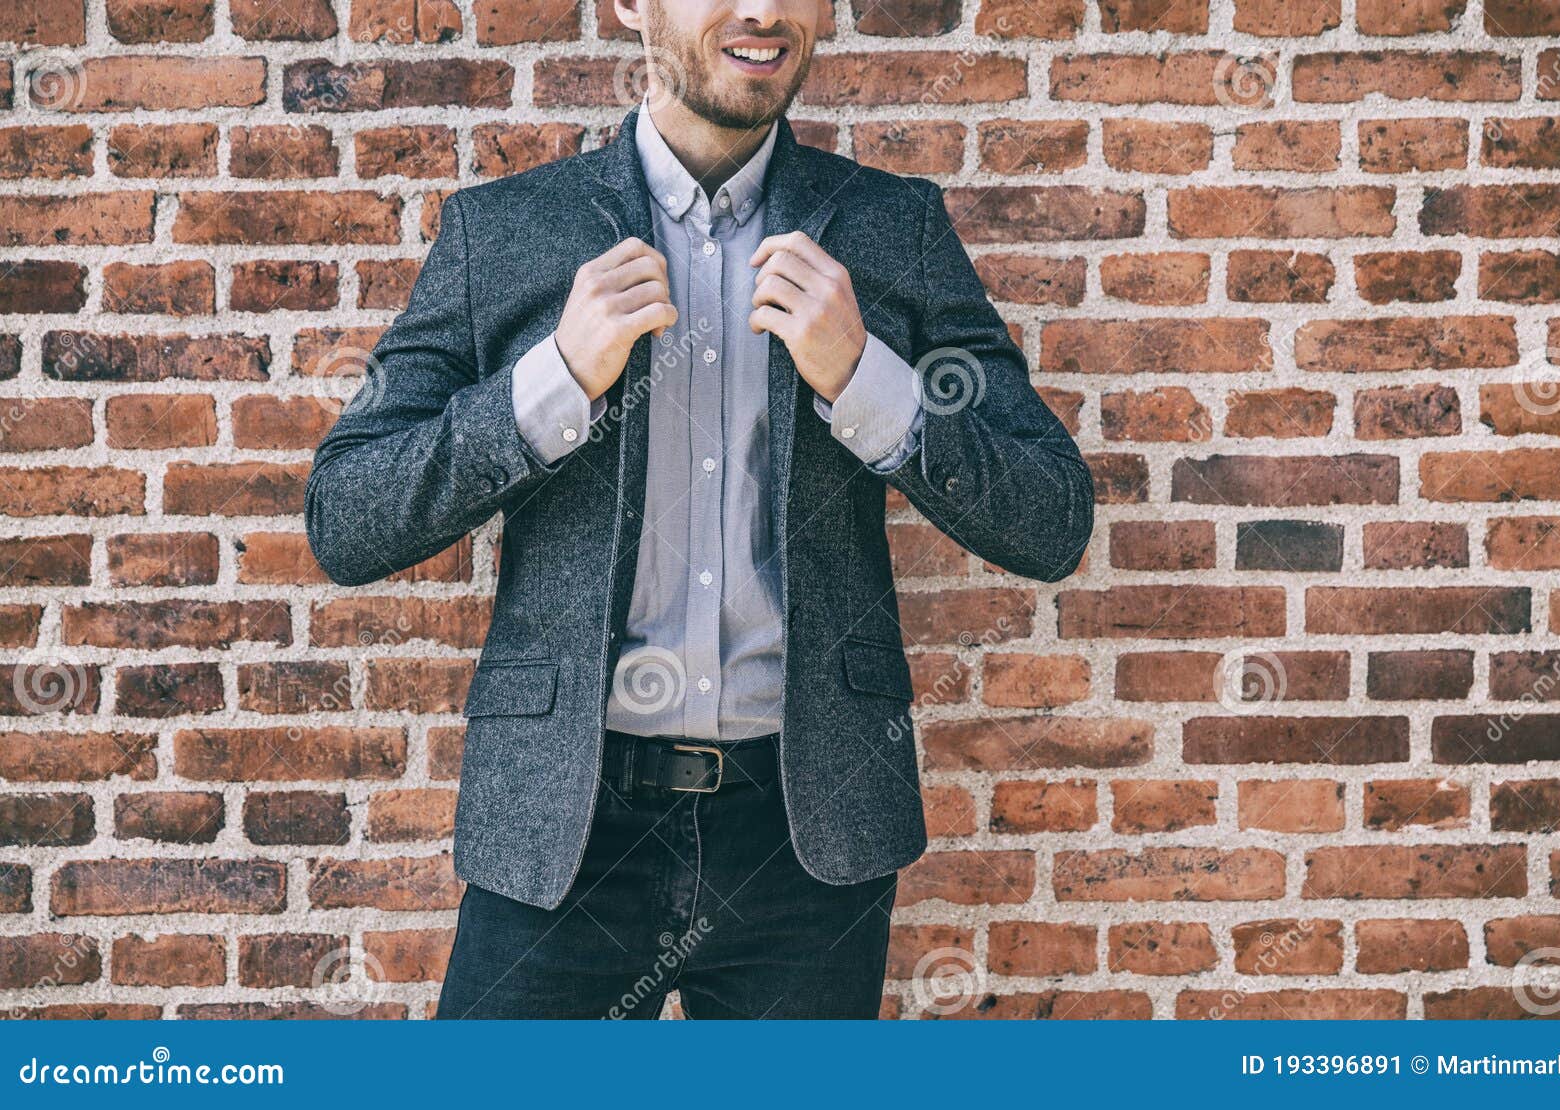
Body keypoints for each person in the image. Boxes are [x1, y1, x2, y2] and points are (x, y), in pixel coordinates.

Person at [304, 0, 1094, 1020]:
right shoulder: (500, 232)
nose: (763, 11)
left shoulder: (893, 229)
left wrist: (866, 377)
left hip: (805, 837)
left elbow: (1048, 516)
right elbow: (348, 515)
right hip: (565, 826)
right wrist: (554, 381)